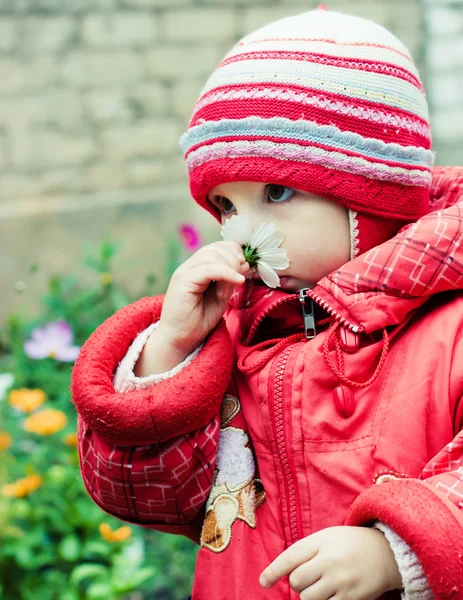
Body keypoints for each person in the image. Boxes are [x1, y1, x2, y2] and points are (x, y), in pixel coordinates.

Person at [71, 6, 463, 599]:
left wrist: (399, 550)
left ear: (369, 198)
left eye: (276, 192)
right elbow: (145, 493)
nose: (241, 234)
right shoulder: (234, 334)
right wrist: (172, 353)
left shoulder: (448, 328)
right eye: (226, 207)